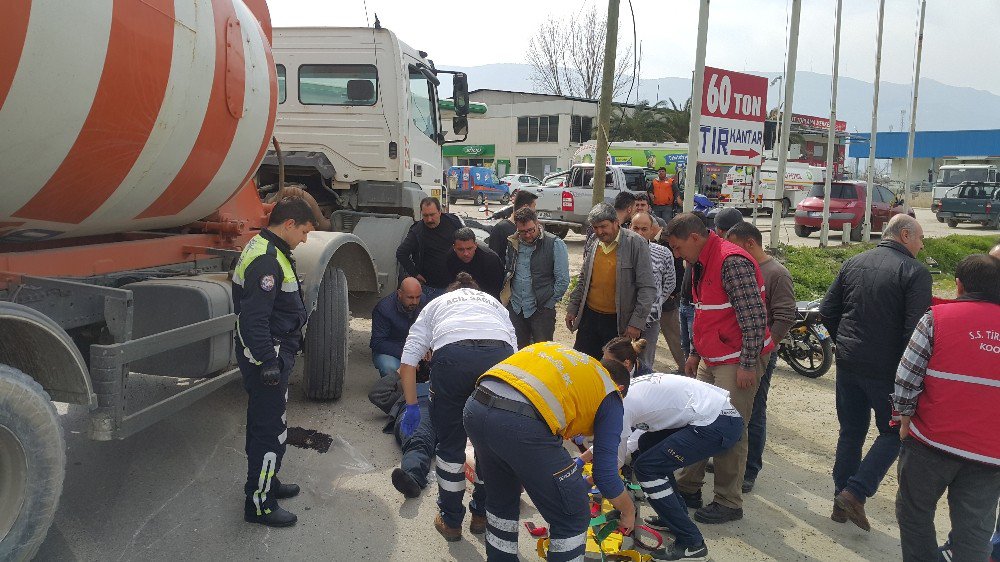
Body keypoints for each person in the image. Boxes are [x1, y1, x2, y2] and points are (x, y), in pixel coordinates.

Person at [463, 341, 636, 561]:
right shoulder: (611, 395)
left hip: (476, 407)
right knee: (573, 514)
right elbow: (606, 475)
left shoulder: (575, 363)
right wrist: (628, 511)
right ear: (620, 389)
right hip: (519, 425)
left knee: (502, 499)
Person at [820, 214, 932, 532]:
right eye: (920, 239)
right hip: (888, 371)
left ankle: (841, 500)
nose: (922, 246)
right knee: (896, 433)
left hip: (849, 363)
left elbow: (827, 311)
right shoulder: (915, 272)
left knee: (851, 432)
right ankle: (855, 492)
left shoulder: (854, 262)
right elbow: (915, 332)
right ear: (905, 234)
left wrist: (844, 342)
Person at [664, 213, 774, 525]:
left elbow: (753, 317)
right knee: (697, 421)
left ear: (694, 238)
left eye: (677, 247)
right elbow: (706, 312)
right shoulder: (700, 262)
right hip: (714, 356)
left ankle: (728, 502)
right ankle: (688, 489)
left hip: (738, 358)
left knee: (729, 429)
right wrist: (696, 354)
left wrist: (747, 363)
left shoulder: (731, 261)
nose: (676, 253)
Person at [893, 254, 1000, 562]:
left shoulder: (937, 319)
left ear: (959, 285)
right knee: (976, 530)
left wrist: (904, 418)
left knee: (914, 514)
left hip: (931, 444)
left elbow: (906, 376)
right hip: (989, 456)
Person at [398, 272, 517, 542]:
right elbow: (514, 351)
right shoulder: (493, 303)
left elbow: (408, 363)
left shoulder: (437, 304)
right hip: (498, 358)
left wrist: (412, 406)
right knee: (492, 446)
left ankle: (451, 521)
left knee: (451, 446)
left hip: (453, 358)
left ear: (450, 291)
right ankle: (481, 514)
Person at [600, 342, 744, 562]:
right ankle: (673, 515)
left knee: (648, 468)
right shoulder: (626, 388)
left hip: (718, 423)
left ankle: (691, 544)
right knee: (648, 446)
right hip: (714, 416)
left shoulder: (621, 405)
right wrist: (584, 460)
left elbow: (615, 460)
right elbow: (628, 442)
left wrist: (616, 500)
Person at [231, 197, 316, 528]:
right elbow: (254, 319)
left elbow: (280, 305)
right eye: (305, 232)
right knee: (269, 431)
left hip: (276, 351)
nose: (306, 239)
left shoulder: (271, 247)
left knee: (266, 424)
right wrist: (268, 361)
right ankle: (260, 503)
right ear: (290, 224)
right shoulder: (267, 260)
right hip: (268, 358)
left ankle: (270, 481)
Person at [725, 222, 796, 493]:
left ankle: (749, 469)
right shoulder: (741, 268)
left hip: (760, 355)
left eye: (734, 245)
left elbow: (785, 316)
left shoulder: (776, 273)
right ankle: (731, 458)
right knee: (734, 409)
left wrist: (765, 349)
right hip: (737, 353)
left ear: (749, 244)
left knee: (754, 412)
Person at [566, 203, 657, 360]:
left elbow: (647, 288)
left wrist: (636, 323)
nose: (600, 231)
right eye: (595, 227)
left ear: (616, 222)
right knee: (582, 364)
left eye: (603, 226)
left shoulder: (636, 243)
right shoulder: (594, 241)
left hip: (617, 322)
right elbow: (583, 278)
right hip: (590, 319)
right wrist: (573, 307)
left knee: (613, 369)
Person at [500, 207, 570, 348]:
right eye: (522, 232)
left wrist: (548, 304)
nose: (527, 235)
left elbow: (562, 281)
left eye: (531, 230)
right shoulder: (512, 242)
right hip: (516, 308)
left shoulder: (555, 244)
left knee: (542, 353)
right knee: (517, 352)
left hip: (541, 310)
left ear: (537, 223)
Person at [631, 212, 676, 371]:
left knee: (645, 364)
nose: (639, 233)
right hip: (624, 319)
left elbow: (670, 283)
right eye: (635, 228)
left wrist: (656, 302)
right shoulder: (622, 252)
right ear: (629, 228)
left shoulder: (664, 253)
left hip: (650, 319)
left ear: (652, 231)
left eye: (644, 229)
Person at [396, 197, 464, 299]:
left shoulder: (453, 222)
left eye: (432, 215)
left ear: (440, 212)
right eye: (425, 216)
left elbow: (465, 243)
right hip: (432, 288)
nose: (429, 219)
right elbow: (401, 253)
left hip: (456, 285)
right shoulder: (417, 231)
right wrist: (415, 274)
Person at [369, 277, 427, 378]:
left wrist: (427, 347)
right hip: (392, 351)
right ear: (399, 293)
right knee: (389, 367)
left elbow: (428, 328)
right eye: (410, 297)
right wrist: (408, 356)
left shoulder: (423, 301)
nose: (415, 302)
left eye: (418, 297)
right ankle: (393, 388)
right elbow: (377, 342)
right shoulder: (383, 309)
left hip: (415, 346)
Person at [447, 227, 504, 300]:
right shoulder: (450, 257)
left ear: (475, 245)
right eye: (461, 249)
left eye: (469, 248)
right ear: (454, 248)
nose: (466, 254)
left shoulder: (490, 259)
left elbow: (497, 290)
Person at [489, 190, 538, 262]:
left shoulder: (535, 228)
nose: (535, 210)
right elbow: (493, 258)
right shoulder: (501, 229)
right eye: (534, 206)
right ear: (526, 207)